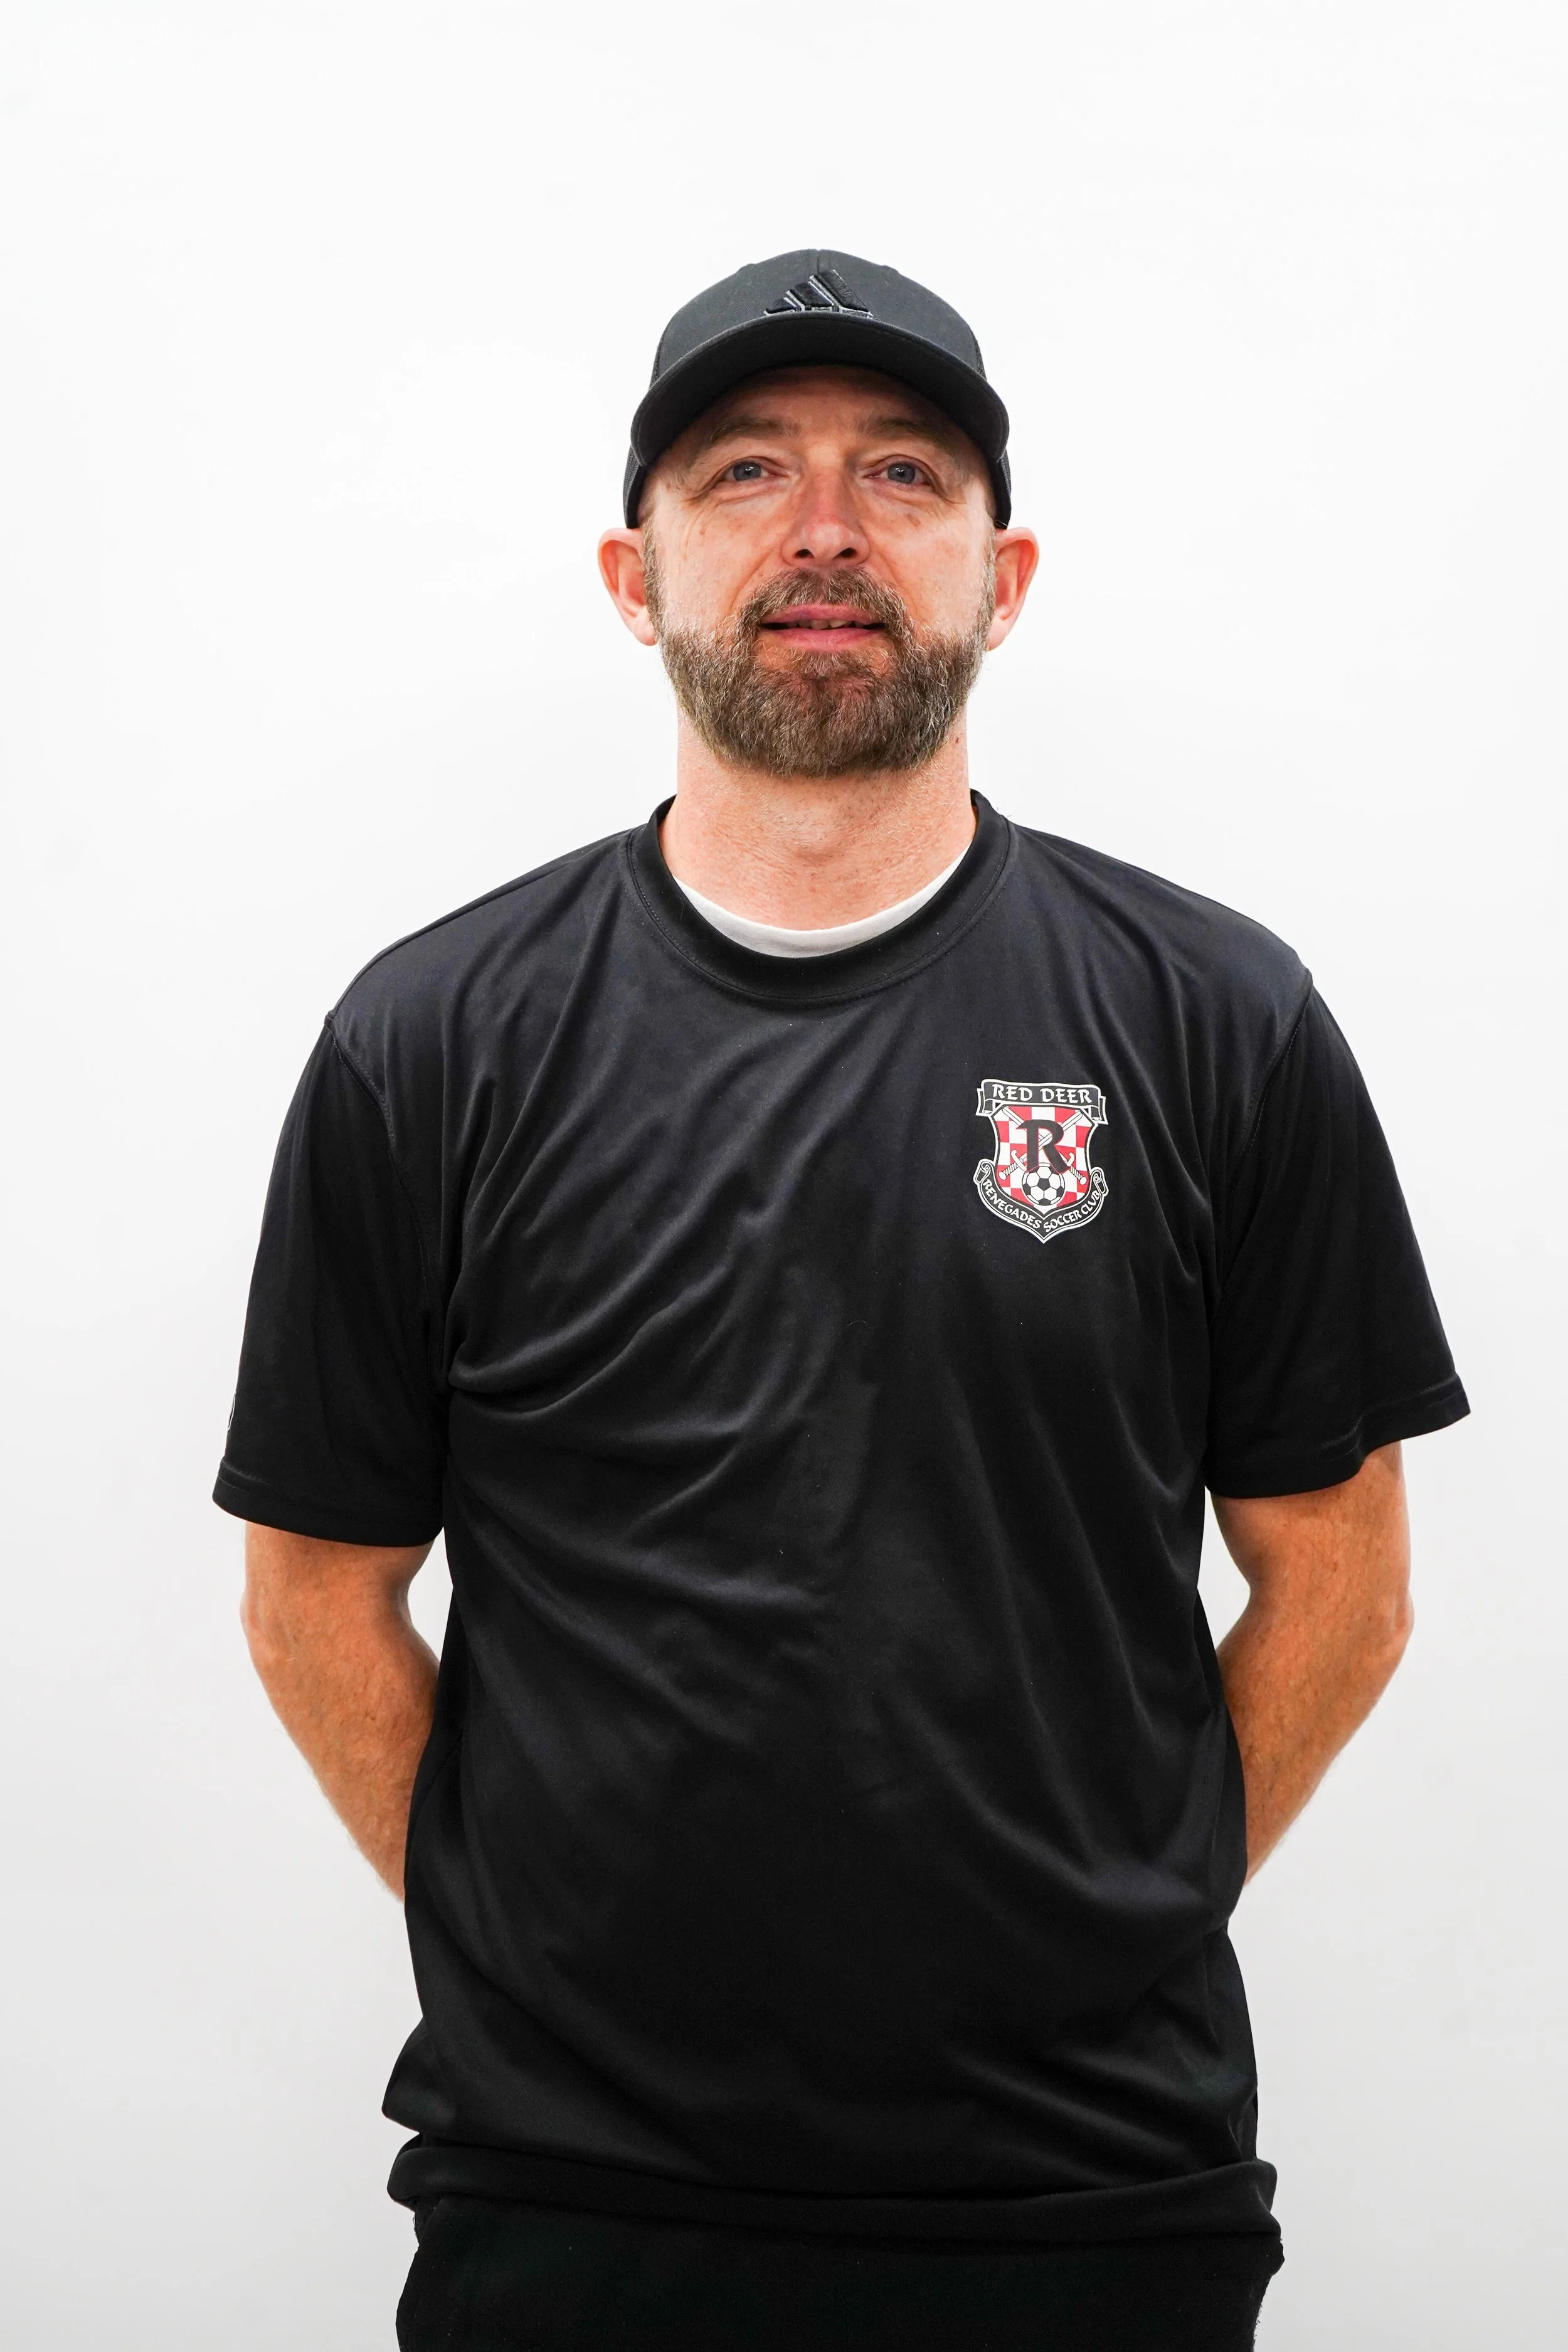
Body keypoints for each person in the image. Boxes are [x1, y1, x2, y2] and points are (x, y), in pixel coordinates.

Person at [216, 249, 1468, 2350]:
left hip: (1091, 2197)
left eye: (900, 473)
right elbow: (313, 1594)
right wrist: (533, 1962)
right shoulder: (429, 1039)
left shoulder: (1217, 1019)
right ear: (634, 572)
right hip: (564, 2196)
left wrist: (1118, 1915)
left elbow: (1341, 1577)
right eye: (740, 474)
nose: (821, 529)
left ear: (1007, 569)